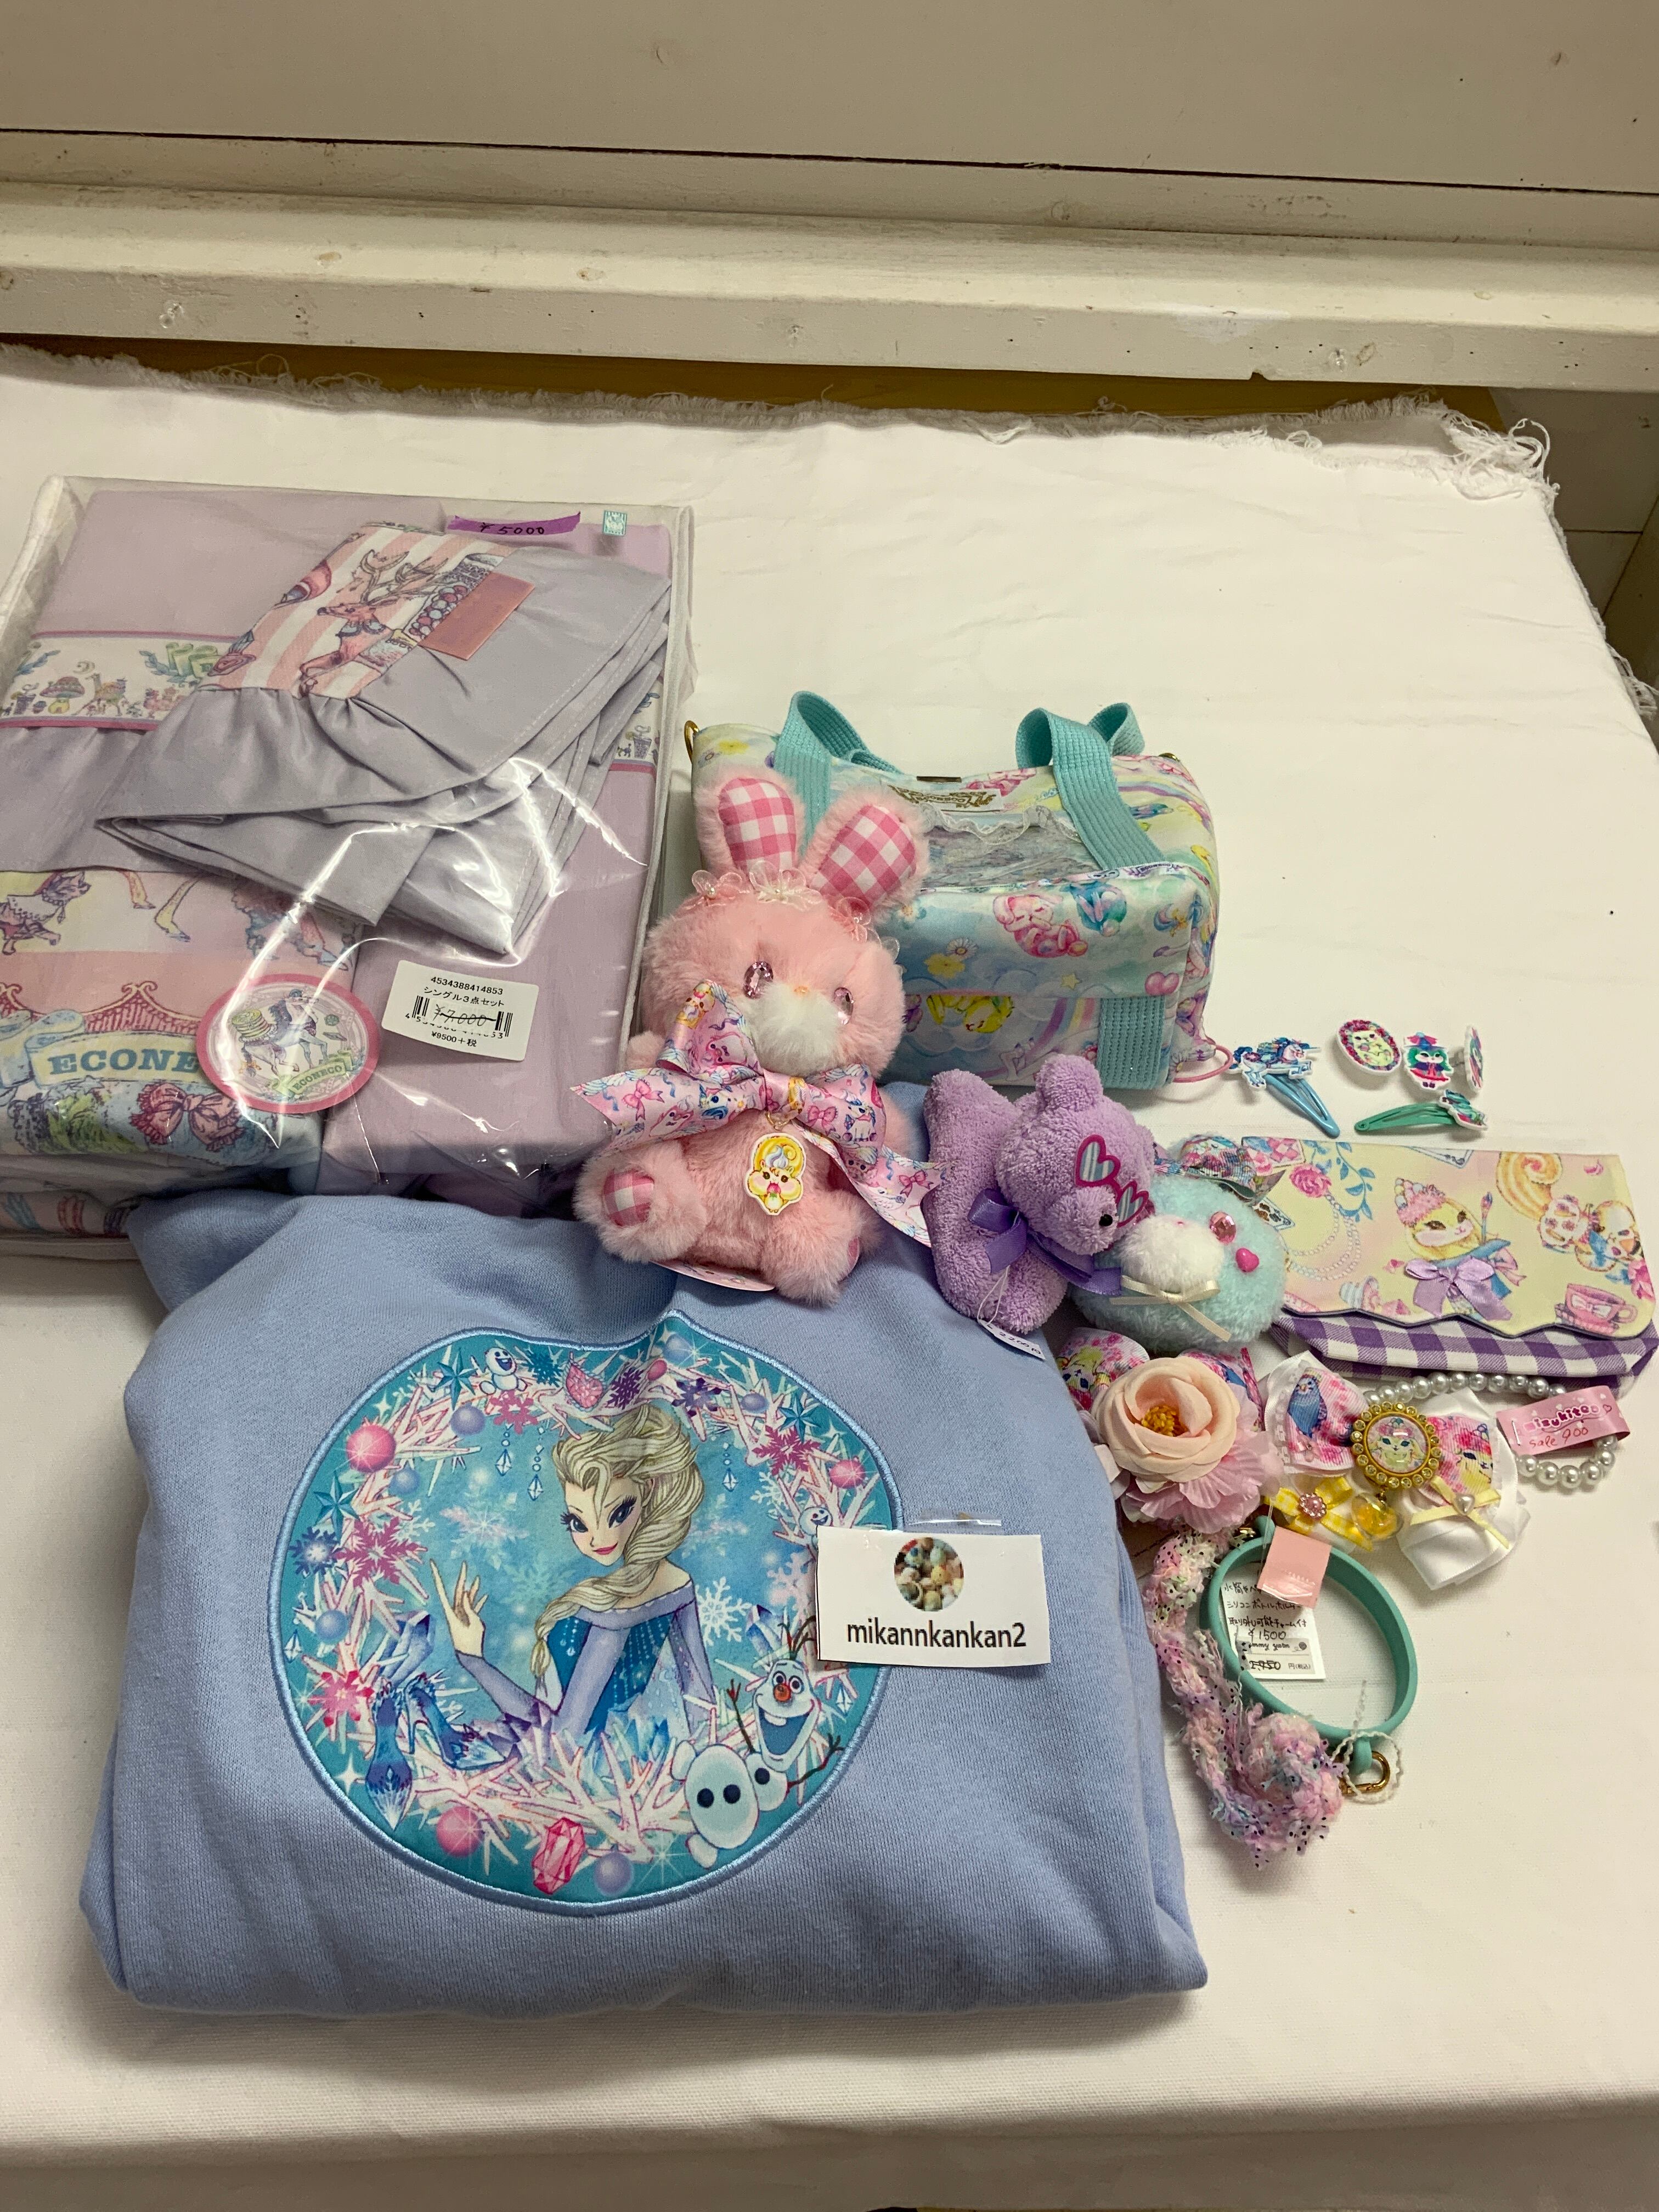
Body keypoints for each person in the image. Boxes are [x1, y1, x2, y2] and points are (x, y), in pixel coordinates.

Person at [430, 1402, 715, 1745]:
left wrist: (474, 1660)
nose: (597, 1538)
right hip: (640, 1756)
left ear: (650, 1489)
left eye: (617, 1513)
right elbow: (702, 1702)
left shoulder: (615, 1613)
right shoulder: (677, 1584)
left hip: (588, 1764)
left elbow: (563, 1738)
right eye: (579, 1523)